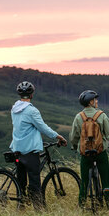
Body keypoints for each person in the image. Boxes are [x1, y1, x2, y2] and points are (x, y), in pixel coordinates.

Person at [10, 81, 67, 209]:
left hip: (17, 148)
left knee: (21, 180)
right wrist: (58, 136)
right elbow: (42, 127)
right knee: (34, 179)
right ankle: (39, 208)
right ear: (32, 94)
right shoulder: (31, 110)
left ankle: (21, 206)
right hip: (29, 149)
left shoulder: (14, 109)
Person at [69, 90, 109, 208]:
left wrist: (75, 147)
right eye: (95, 99)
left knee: (84, 184)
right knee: (105, 181)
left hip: (85, 155)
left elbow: (73, 136)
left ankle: (81, 207)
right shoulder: (101, 115)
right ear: (91, 102)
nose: (97, 101)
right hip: (100, 153)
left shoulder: (78, 117)